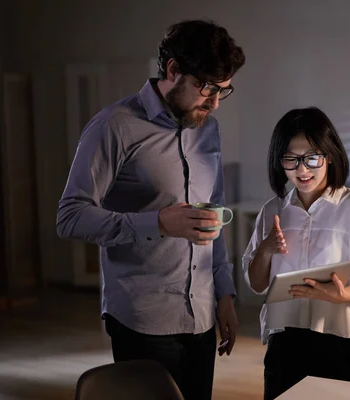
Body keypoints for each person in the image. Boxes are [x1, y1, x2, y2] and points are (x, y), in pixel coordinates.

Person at [56, 19, 245, 400]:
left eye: (224, 90)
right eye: (207, 87)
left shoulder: (208, 129)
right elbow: (70, 216)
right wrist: (157, 222)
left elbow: (215, 215)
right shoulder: (114, 126)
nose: (215, 102)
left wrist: (224, 293)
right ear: (173, 70)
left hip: (203, 316)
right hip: (144, 320)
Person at [242, 107, 350, 399]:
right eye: (291, 159)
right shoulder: (272, 211)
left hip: (342, 340)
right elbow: (257, 284)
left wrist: (340, 294)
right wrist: (266, 250)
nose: (302, 170)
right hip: (286, 341)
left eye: (311, 157)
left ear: (330, 155)